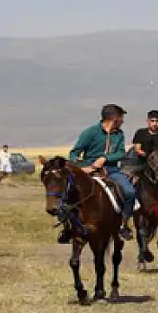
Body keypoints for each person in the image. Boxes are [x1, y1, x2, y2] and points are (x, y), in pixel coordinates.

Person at [65, 104, 135, 243]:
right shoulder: (90, 132)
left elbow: (120, 152)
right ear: (114, 118)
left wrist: (105, 158)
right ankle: (67, 228)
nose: (123, 121)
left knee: (130, 192)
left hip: (111, 171)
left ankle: (123, 225)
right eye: (121, 118)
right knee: (67, 194)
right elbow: (74, 153)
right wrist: (82, 168)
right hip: (89, 170)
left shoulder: (119, 134)